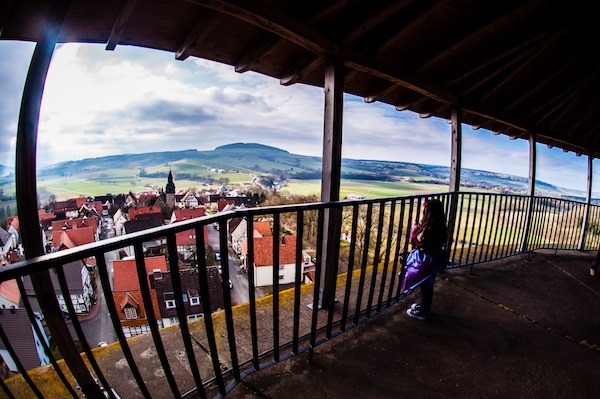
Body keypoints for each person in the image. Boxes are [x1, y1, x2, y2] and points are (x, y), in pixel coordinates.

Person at [406, 198, 447, 320]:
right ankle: (424, 306)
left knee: (425, 285)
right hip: (435, 258)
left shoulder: (428, 228)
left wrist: (415, 229)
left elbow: (415, 241)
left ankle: (423, 310)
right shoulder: (440, 226)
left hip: (426, 261)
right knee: (427, 284)